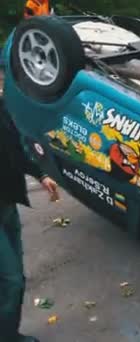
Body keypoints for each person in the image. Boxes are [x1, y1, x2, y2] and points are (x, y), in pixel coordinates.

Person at [1, 100, 59, 342]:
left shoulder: (2, 107)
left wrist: (41, 174)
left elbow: (15, 147)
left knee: (15, 279)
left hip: (7, 206)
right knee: (11, 280)